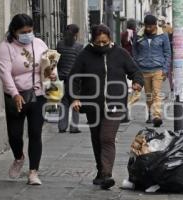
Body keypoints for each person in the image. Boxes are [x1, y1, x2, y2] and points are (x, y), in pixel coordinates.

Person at [69, 24, 143, 189]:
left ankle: (107, 174)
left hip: (115, 103)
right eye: (98, 42)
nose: (102, 45)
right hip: (92, 104)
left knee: (107, 137)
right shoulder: (85, 55)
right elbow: (74, 77)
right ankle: (100, 170)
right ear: (92, 41)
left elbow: (135, 71)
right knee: (96, 138)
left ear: (110, 38)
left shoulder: (120, 53)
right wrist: (75, 98)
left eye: (105, 41)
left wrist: (138, 82)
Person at [0, 13, 56, 185]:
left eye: (30, 31)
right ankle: (18, 157)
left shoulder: (39, 43)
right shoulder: (5, 48)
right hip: (16, 95)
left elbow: (48, 64)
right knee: (15, 135)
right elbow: (5, 74)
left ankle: (33, 172)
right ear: (14, 31)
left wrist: (51, 75)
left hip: (38, 95)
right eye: (23, 31)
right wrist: (14, 94)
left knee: (35, 133)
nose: (27, 34)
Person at [133, 15, 171, 127]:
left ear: (155, 25)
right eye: (146, 26)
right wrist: (136, 64)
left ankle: (157, 116)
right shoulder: (139, 35)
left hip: (158, 69)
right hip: (143, 69)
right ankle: (150, 113)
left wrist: (165, 69)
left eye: (151, 26)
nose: (148, 29)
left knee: (156, 93)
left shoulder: (163, 35)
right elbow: (134, 50)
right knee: (148, 94)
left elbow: (167, 53)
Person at [56, 24, 83, 134]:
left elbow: (58, 60)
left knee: (64, 101)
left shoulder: (60, 45)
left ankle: (62, 126)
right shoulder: (79, 46)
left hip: (62, 76)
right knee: (75, 100)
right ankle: (74, 126)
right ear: (76, 34)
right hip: (75, 78)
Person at [120, 19, 137, 123]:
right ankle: (126, 113)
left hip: (123, 59)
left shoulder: (123, 34)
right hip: (133, 60)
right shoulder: (136, 34)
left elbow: (122, 44)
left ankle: (124, 114)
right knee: (130, 89)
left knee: (125, 87)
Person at [158, 16, 174, 93]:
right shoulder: (157, 29)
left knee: (169, 70)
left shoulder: (168, 28)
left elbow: (172, 39)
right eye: (159, 20)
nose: (159, 22)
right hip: (160, 52)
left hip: (167, 51)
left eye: (161, 21)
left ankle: (171, 87)